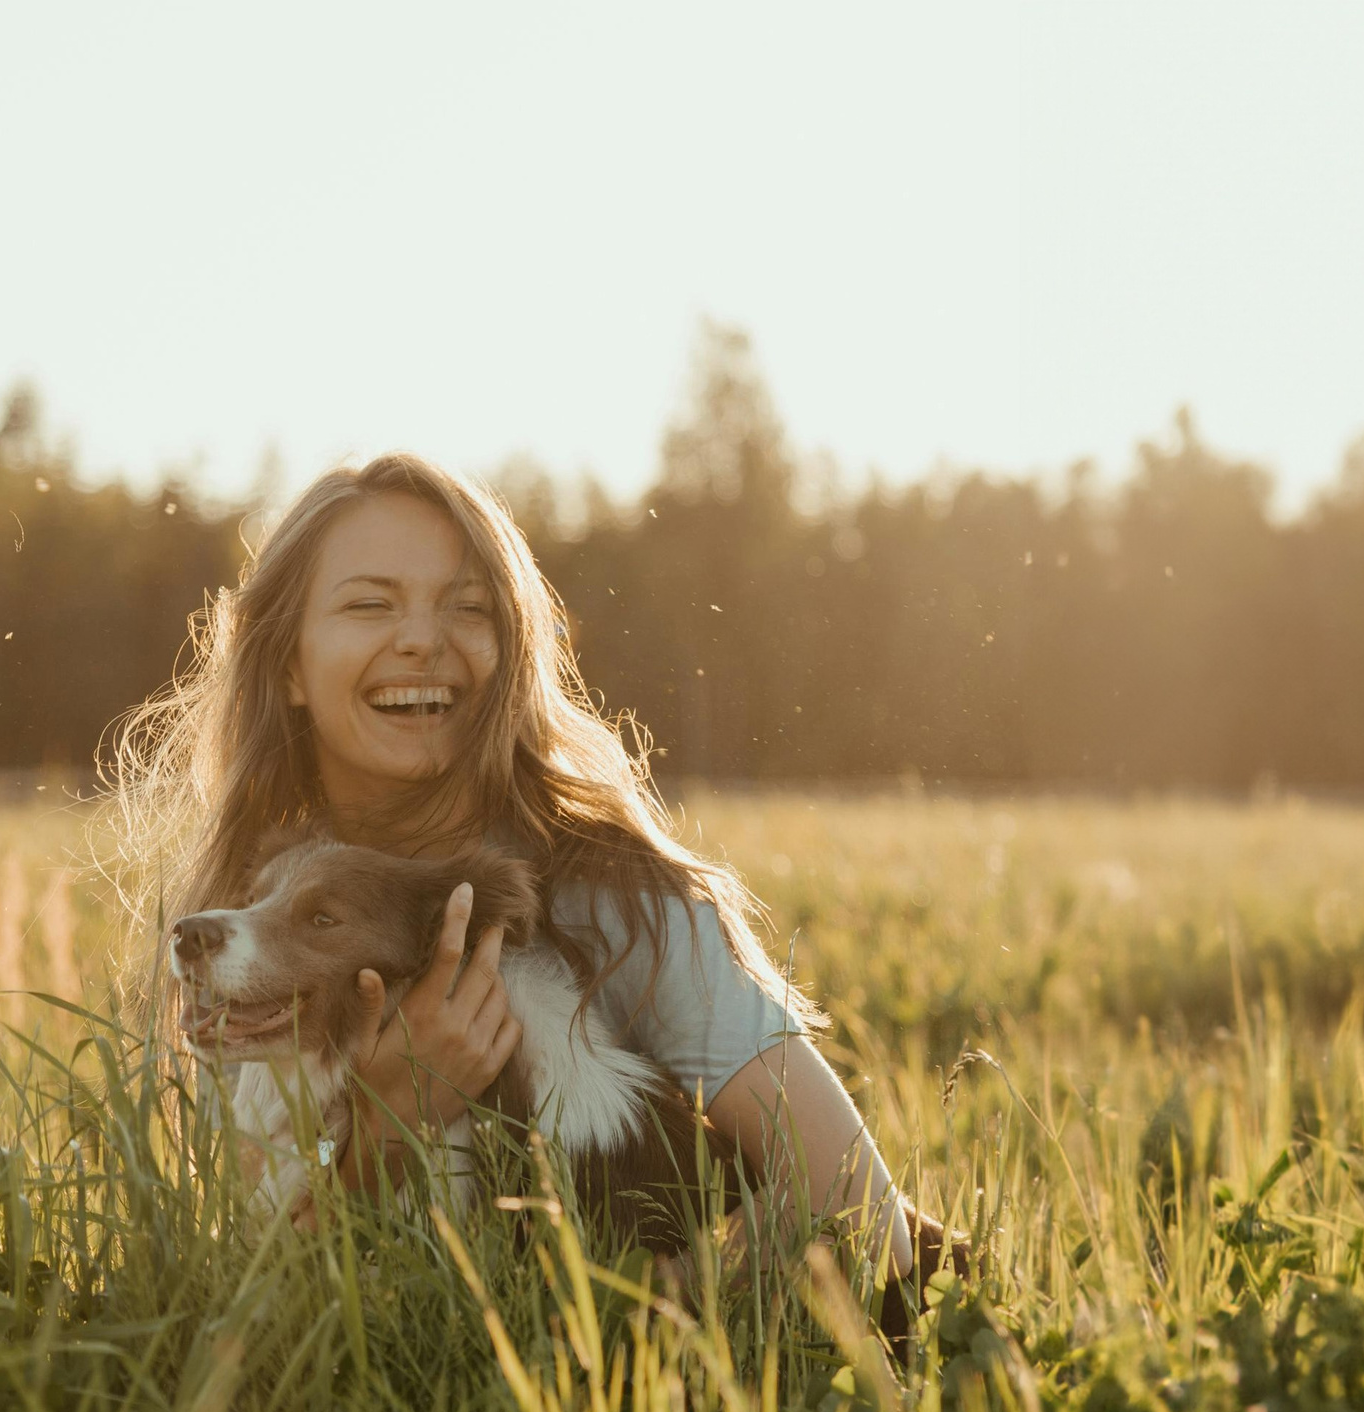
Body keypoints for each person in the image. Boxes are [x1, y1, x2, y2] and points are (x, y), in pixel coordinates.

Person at [107, 452, 962, 1311]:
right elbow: (249, 1276)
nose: (420, 639)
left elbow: (867, 1218)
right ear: (288, 661)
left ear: (511, 653)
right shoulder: (240, 917)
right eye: (370, 604)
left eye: (468, 608)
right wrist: (388, 1121)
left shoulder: (618, 896)